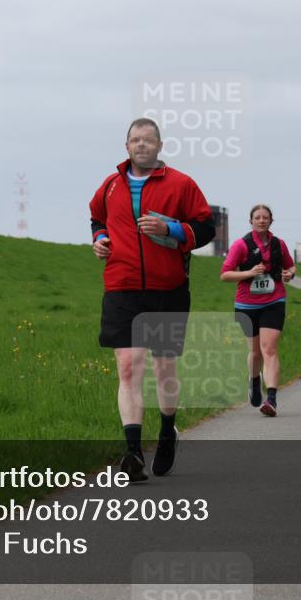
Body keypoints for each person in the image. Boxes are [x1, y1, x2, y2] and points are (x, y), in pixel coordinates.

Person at [89, 118, 214, 481]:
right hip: (121, 287)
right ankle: (131, 452)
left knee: (163, 369)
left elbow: (205, 227)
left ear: (159, 146)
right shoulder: (110, 186)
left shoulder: (182, 184)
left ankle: (166, 432)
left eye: (148, 140)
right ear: (126, 146)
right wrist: (99, 239)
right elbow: (97, 218)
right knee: (129, 368)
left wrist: (171, 229)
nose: (141, 145)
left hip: (168, 290)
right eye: (134, 140)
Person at [220, 204, 296, 417]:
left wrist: (290, 275)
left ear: (271, 220)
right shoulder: (240, 245)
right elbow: (225, 274)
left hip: (274, 301)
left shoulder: (279, 244)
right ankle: (254, 382)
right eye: (257, 217)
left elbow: (291, 266)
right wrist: (250, 272)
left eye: (265, 217)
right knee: (255, 352)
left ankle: (271, 400)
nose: (261, 220)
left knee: (269, 349)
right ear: (251, 221)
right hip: (246, 305)